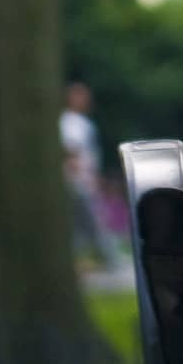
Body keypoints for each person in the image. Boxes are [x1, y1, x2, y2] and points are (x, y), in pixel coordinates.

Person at [60, 80, 121, 269]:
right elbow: (72, 152)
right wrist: (87, 179)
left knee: (79, 226)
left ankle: (74, 260)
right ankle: (112, 261)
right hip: (80, 182)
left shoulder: (76, 122)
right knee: (96, 220)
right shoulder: (73, 123)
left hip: (79, 180)